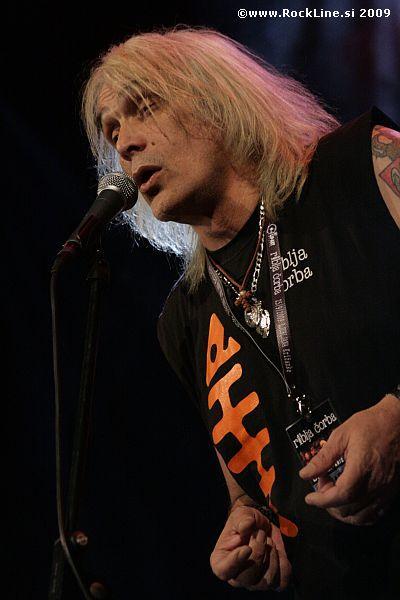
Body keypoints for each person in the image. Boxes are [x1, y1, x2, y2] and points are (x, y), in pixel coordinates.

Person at [81, 27, 400, 598]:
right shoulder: (183, 320)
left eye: (144, 106)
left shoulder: (363, 164)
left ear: (216, 99)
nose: (124, 142)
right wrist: (247, 527)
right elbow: (248, 487)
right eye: (112, 131)